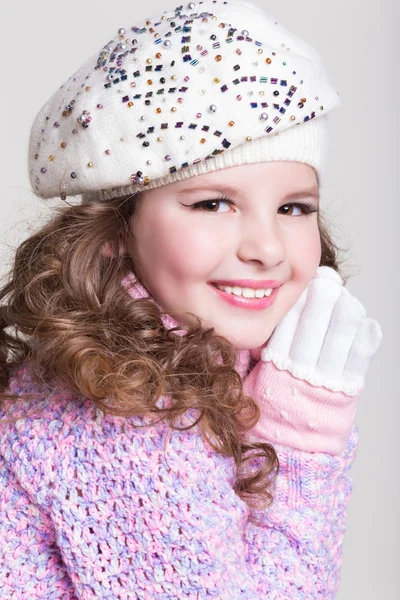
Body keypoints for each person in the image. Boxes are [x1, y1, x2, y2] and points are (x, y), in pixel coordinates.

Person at [0, 0, 382, 598]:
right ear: (114, 234)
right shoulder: (115, 417)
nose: (267, 248)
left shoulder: (201, 364)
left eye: (293, 207)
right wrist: (299, 444)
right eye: (213, 203)